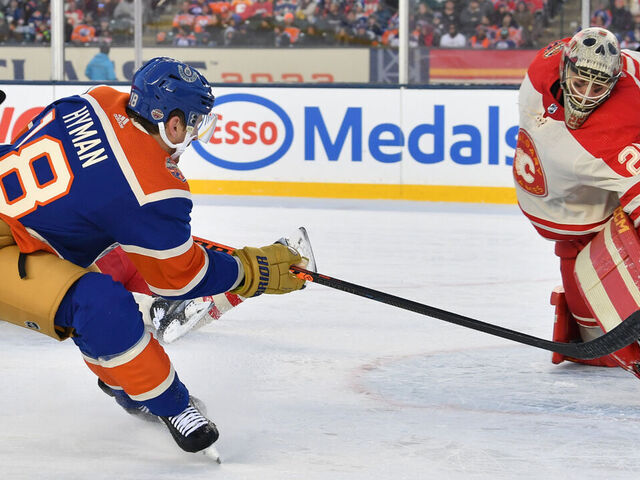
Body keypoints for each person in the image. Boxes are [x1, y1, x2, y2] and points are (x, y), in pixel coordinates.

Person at [0, 57, 307, 456]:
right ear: (172, 122)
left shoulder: (93, 100)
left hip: (24, 217)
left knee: (120, 262)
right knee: (98, 305)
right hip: (11, 247)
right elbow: (180, 278)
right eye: (193, 122)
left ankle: (124, 378)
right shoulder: (154, 189)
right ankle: (169, 404)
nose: (194, 134)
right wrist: (253, 271)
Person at [513, 27, 640, 377]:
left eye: (598, 87)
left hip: (564, 203)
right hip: (572, 213)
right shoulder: (608, 142)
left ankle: (589, 330)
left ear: (613, 83)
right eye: (580, 82)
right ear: (566, 66)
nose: (585, 95)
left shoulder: (548, 60)